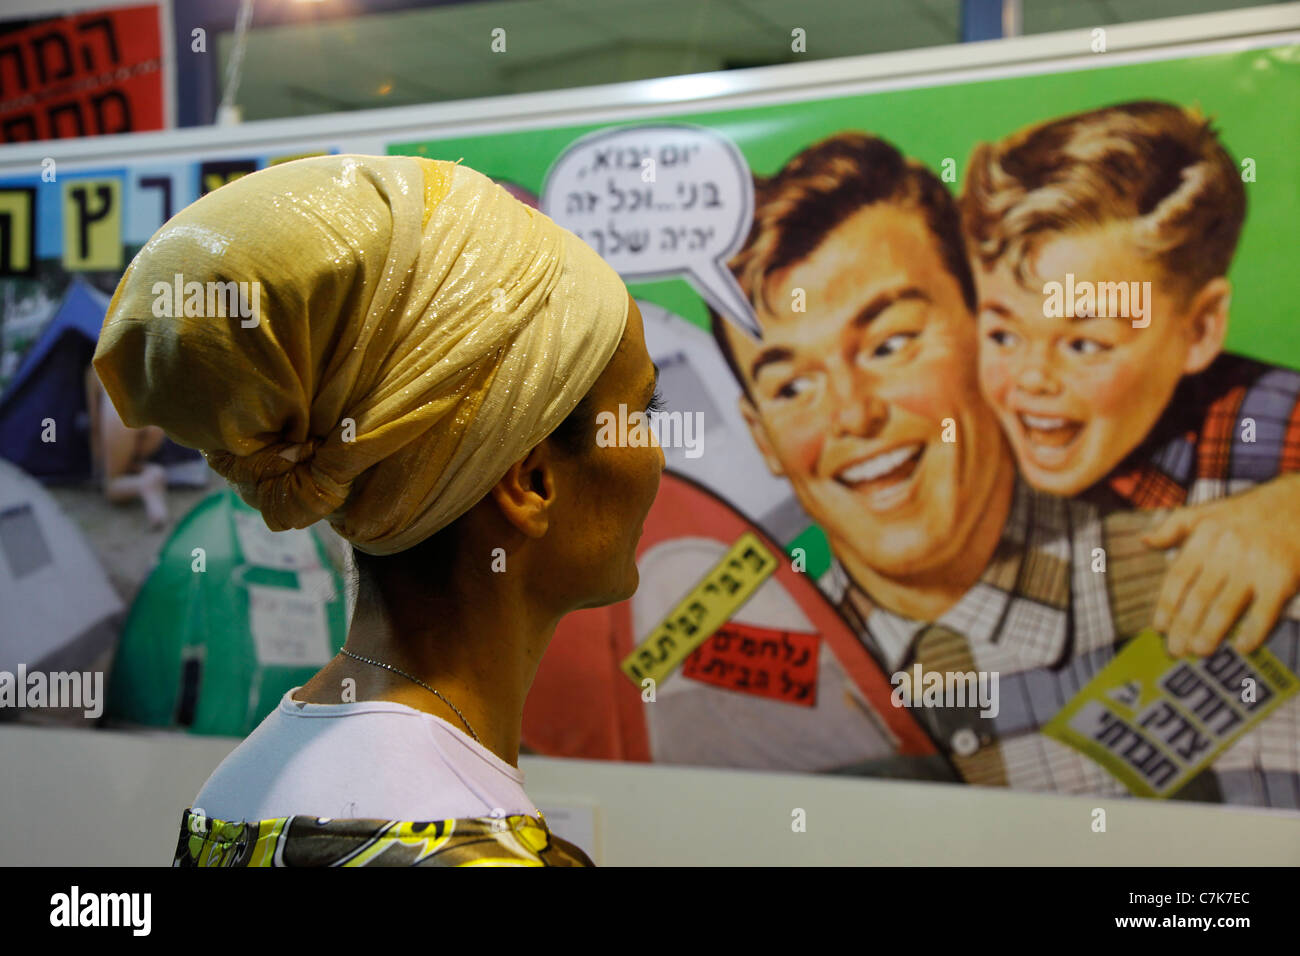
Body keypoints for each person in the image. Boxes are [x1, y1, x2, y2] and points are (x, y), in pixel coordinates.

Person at [93, 154, 664, 866]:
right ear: (532, 481)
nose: (657, 454)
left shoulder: (241, 787)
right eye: (643, 411)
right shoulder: (466, 848)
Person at [708, 132, 1299, 806]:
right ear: (761, 435)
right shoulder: (735, 657)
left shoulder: (1221, 580)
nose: (852, 416)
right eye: (790, 388)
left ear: (981, 331)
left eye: (890, 344)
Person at [960, 101, 1300, 658]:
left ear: (1200, 329)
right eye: (1003, 335)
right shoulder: (961, 437)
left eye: (1084, 344)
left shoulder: (1274, 419)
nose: (1032, 380)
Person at [85, 364, 169, 529]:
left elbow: (94, 425)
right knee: (128, 463)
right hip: (154, 417)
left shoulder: (94, 369)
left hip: (121, 416)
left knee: (111, 486)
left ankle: (143, 486)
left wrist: (97, 464)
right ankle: (150, 472)